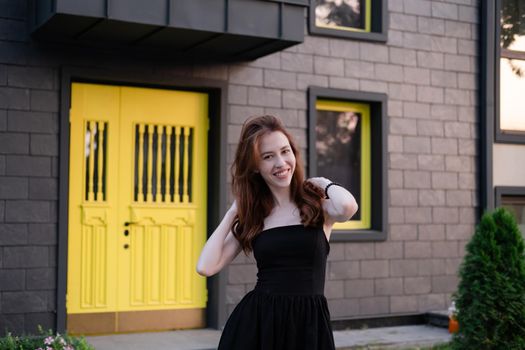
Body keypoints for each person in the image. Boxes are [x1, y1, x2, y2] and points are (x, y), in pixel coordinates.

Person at [196, 115, 358, 349]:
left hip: (308, 325)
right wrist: (232, 212)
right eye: (268, 157)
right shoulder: (254, 217)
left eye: (285, 151)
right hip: (259, 325)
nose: (281, 163)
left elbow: (347, 207)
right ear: (255, 167)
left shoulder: (317, 206)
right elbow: (206, 267)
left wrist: (323, 183)